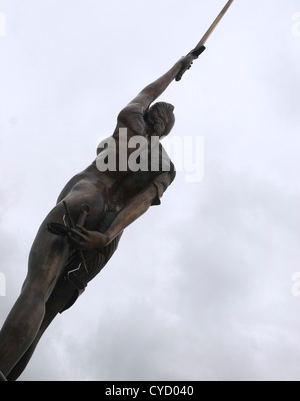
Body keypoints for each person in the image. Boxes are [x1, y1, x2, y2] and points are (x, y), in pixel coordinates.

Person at [0, 54, 195, 381]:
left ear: (150, 113)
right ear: (165, 132)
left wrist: (178, 67)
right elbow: (145, 200)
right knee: (46, 314)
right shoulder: (164, 164)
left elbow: (149, 90)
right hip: (105, 240)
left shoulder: (131, 119)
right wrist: (106, 235)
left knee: (37, 290)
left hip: (87, 199)